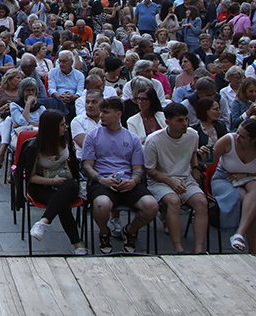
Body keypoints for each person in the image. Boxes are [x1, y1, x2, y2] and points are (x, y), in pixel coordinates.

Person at [80, 96, 159, 254]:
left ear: (118, 114)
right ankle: (104, 232)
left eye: (106, 112)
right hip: (103, 181)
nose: (101, 115)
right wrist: (102, 180)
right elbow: (87, 166)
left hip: (127, 181)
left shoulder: (133, 139)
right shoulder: (92, 136)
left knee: (151, 206)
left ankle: (130, 230)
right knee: (101, 205)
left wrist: (134, 181)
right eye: (101, 112)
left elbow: (138, 168)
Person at [145, 102, 208, 255]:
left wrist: (195, 168)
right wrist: (170, 181)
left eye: (186, 119)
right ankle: (178, 248)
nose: (185, 123)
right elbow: (150, 170)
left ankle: (199, 249)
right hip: (161, 180)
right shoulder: (153, 140)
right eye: (180, 120)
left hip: (185, 178)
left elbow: (192, 152)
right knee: (174, 201)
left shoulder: (192, 134)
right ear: (167, 122)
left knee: (202, 202)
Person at [25, 109, 87, 255]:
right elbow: (31, 177)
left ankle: (43, 222)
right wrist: (52, 181)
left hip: (66, 181)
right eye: (62, 125)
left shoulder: (65, 138)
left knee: (70, 186)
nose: (66, 127)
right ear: (52, 128)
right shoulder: (34, 148)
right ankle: (78, 245)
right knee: (62, 204)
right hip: (42, 185)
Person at [210, 118, 256, 253]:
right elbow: (210, 162)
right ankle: (251, 247)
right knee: (250, 201)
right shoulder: (228, 140)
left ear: (253, 140)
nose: (237, 137)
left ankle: (239, 234)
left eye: (242, 136)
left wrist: (248, 175)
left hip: (248, 178)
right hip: (224, 178)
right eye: (238, 132)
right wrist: (206, 154)